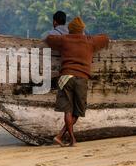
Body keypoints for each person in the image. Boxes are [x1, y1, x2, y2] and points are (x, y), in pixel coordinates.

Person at [45, 16, 109, 147]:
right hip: (81, 78)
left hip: (66, 77)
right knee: (77, 111)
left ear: (70, 29)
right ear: (82, 29)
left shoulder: (64, 40)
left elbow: (49, 39)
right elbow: (105, 38)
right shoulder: (90, 41)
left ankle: (64, 137)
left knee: (67, 110)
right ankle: (68, 138)